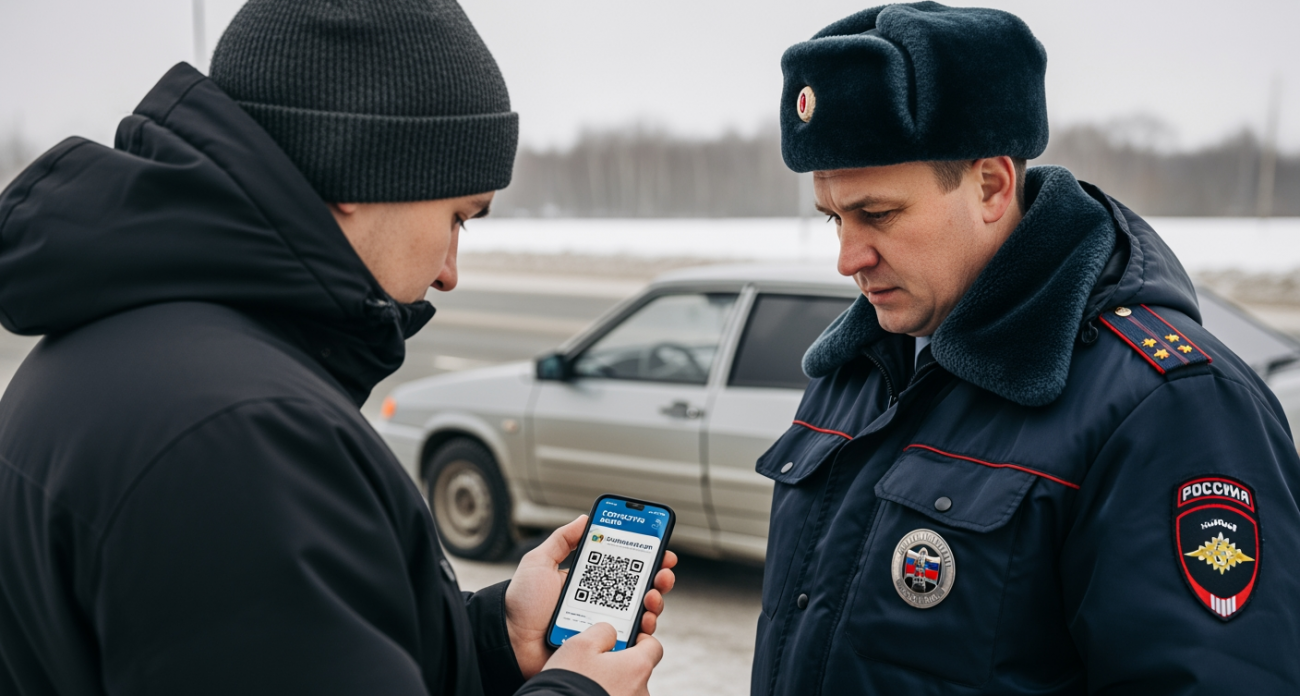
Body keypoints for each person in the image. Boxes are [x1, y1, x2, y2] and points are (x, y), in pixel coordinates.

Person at [0, 2, 672, 695]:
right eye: (457, 217)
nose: (450, 269)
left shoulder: (141, 348)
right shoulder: (240, 441)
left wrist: (492, 638)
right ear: (363, 167)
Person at [753, 3, 1300, 694]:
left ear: (991, 185)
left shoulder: (1170, 407)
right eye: (834, 218)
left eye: (879, 215)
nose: (848, 257)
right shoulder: (858, 369)